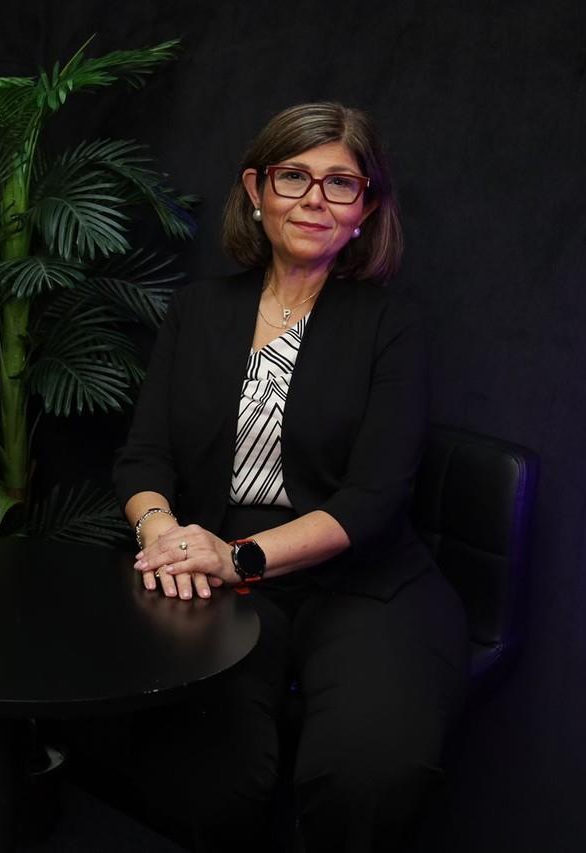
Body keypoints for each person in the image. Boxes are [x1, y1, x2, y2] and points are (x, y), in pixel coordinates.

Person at [112, 102, 468, 851]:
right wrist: (163, 532)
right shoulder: (198, 311)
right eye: (294, 176)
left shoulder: (390, 325)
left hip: (363, 579)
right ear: (256, 188)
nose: (315, 198)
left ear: (366, 208)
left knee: (367, 776)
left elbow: (374, 497)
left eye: (342, 183)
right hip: (213, 572)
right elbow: (144, 457)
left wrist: (239, 558)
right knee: (206, 783)